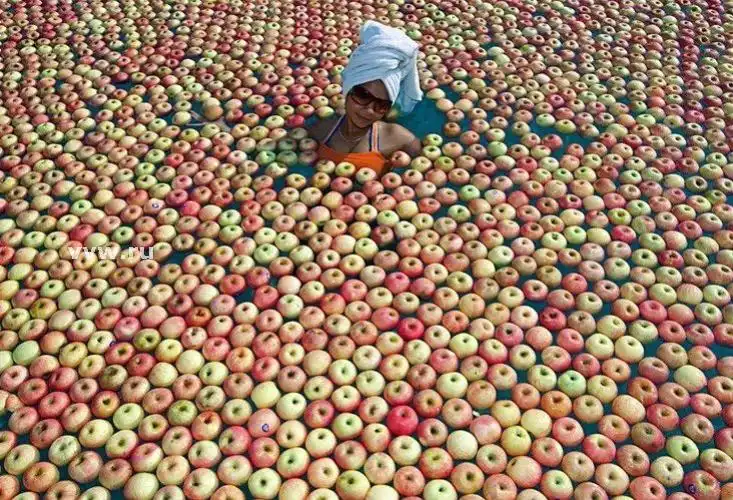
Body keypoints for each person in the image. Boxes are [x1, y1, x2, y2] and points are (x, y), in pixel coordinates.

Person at [308, 21, 424, 176]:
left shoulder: (400, 139)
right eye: (363, 95)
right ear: (348, 90)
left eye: (381, 104)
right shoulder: (321, 130)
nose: (369, 110)